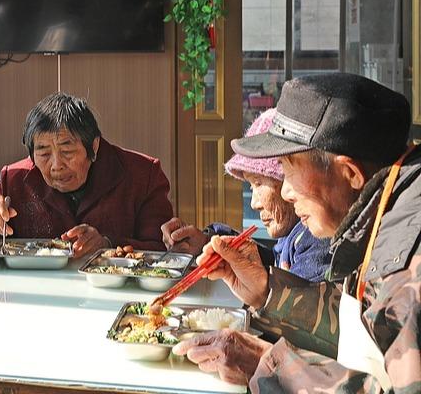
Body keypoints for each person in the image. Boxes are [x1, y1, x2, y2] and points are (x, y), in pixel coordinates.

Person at [171, 73, 415, 393]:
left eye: (288, 169)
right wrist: (269, 292)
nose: (285, 192)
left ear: (349, 173)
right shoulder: (391, 215)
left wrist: (269, 366)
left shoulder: (408, 265)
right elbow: (369, 327)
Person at [0, 92, 173, 255]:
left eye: (67, 151)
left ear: (94, 146)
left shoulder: (142, 174)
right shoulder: (16, 178)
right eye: (44, 153)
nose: (56, 165)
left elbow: (164, 249)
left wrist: (107, 244)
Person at [160, 108, 330, 282]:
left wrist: (263, 292)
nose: (254, 203)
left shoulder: (318, 238)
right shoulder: (293, 234)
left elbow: (297, 296)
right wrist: (208, 243)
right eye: (251, 185)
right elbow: (274, 263)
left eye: (258, 183)